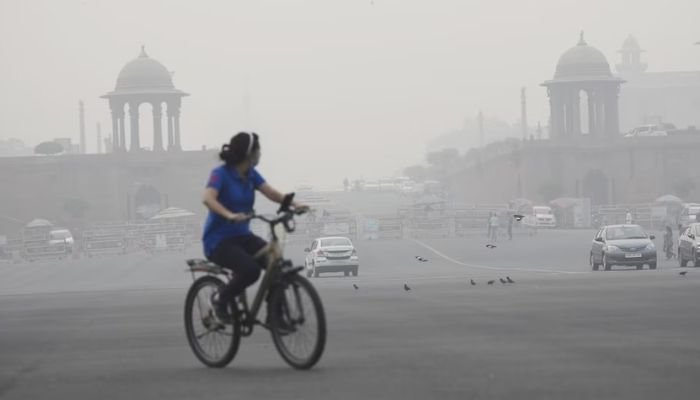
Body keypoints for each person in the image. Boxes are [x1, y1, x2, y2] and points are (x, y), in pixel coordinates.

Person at [202, 132, 308, 321]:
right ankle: (221, 300)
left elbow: (271, 193)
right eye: (258, 150)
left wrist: (294, 204)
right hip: (219, 241)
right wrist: (229, 215)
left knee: (277, 265)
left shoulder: (250, 174)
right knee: (250, 270)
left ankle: (275, 315)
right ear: (250, 153)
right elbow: (208, 199)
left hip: (243, 237)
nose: (260, 154)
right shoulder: (220, 174)